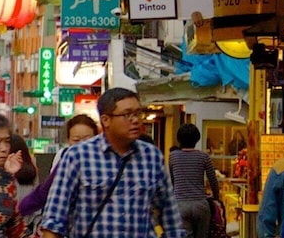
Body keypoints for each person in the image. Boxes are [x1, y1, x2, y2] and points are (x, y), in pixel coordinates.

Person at [38, 88, 184, 238]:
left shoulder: (152, 156)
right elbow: (53, 221)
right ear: (106, 120)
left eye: (137, 113)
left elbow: (171, 218)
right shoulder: (78, 157)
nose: (135, 120)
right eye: (127, 114)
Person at [17, 114, 98, 217]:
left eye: (87, 139)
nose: (82, 145)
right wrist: (18, 211)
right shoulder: (65, 159)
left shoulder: (108, 161)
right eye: (76, 140)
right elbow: (46, 191)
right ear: (68, 140)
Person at [169, 124, 219, 238]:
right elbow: (213, 180)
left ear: (179, 139)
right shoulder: (204, 156)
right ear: (197, 138)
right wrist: (216, 197)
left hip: (180, 205)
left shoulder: (173, 156)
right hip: (200, 204)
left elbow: (173, 181)